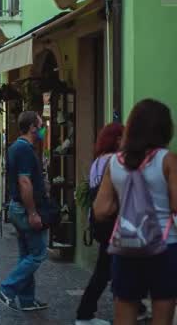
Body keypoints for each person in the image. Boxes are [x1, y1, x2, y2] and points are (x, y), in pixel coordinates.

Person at [94, 99, 177, 325]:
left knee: (125, 316)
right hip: (165, 246)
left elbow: (101, 210)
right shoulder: (167, 160)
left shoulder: (115, 163)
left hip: (127, 246)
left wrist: (128, 202)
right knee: (162, 317)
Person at [0, 111, 49, 312]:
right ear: (32, 127)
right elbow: (24, 181)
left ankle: (27, 299)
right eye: (41, 125)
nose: (43, 129)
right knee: (38, 254)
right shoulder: (25, 150)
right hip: (25, 209)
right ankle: (7, 288)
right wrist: (33, 212)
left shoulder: (15, 147)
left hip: (16, 207)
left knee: (26, 254)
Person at [75, 123, 124, 325]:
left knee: (106, 269)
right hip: (111, 222)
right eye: (122, 137)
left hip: (100, 222)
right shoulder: (113, 161)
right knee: (108, 270)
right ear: (116, 139)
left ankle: (85, 313)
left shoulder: (98, 161)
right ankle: (85, 314)